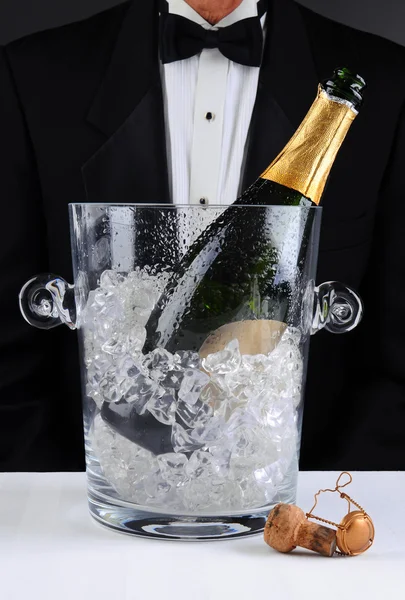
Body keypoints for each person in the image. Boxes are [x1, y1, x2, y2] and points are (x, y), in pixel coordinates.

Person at [1, 0, 404, 472]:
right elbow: (8, 361)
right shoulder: (30, 76)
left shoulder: (391, 83)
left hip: (303, 506)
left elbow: (396, 368)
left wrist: (324, 508)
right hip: (89, 508)